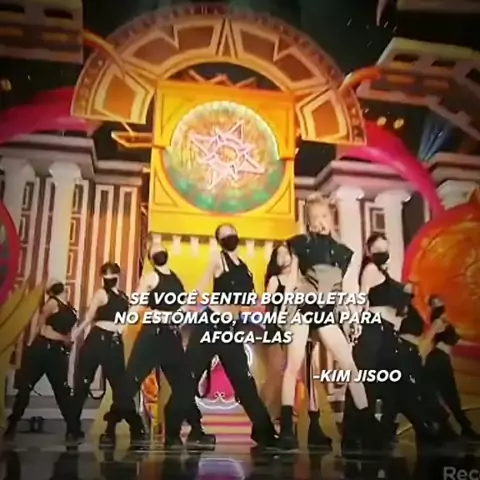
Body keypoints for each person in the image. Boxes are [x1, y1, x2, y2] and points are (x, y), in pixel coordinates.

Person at [279, 194, 379, 452]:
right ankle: (287, 430)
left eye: (324, 216)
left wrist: (352, 317)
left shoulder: (343, 252)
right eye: (315, 218)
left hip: (326, 312)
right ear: (309, 223)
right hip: (303, 308)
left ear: (331, 218)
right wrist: (284, 312)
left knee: (350, 365)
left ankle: (368, 427)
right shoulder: (301, 245)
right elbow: (292, 280)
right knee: (293, 366)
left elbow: (345, 289)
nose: (320, 221)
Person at [341, 233, 445, 453]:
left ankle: (415, 431)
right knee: (369, 382)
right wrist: (356, 324)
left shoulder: (383, 273)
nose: (382, 252)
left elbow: (399, 297)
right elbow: (362, 298)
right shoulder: (370, 270)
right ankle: (355, 436)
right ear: (369, 251)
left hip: (386, 333)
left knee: (395, 383)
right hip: (373, 330)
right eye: (377, 249)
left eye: (385, 248)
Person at [184, 223, 278, 448]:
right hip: (210, 325)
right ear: (219, 241)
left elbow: (249, 300)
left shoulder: (244, 268)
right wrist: (186, 307)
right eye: (224, 235)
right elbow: (203, 283)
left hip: (231, 329)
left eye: (231, 233)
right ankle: (189, 429)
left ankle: (264, 432)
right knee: (187, 379)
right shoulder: (218, 260)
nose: (229, 237)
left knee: (244, 381)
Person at [119, 243, 215, 449]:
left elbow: (181, 305)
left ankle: (189, 431)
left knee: (184, 384)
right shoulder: (150, 277)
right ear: (151, 258)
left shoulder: (175, 278)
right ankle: (125, 426)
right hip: (152, 335)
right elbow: (138, 303)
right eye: (153, 250)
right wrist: (126, 321)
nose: (158, 251)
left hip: (171, 336)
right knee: (131, 381)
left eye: (160, 248)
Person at [262, 242, 330, 449]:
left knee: (309, 377)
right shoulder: (275, 280)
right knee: (278, 376)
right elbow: (269, 309)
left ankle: (313, 427)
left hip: (303, 331)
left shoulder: (304, 281)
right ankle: (268, 424)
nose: (283, 258)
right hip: (279, 332)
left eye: (287, 254)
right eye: (279, 255)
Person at [68, 262, 144, 446]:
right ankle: (73, 429)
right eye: (105, 276)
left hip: (114, 343)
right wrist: (75, 333)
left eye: (111, 276)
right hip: (97, 340)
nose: (108, 279)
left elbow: (128, 317)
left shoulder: (123, 296)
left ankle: (130, 427)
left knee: (120, 388)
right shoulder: (101, 293)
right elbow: (89, 317)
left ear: (118, 276)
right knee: (82, 385)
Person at [4, 280, 78, 442]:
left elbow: (65, 330)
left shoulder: (68, 306)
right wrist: (31, 345)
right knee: (26, 388)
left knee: (62, 391)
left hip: (56, 353)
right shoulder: (52, 303)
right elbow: (43, 329)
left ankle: (73, 429)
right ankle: (12, 425)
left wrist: (67, 342)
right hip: (43, 350)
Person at [424, 299, 480, 441]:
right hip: (438, 360)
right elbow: (427, 340)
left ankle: (459, 428)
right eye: (436, 302)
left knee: (447, 396)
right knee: (448, 396)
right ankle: (462, 429)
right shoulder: (438, 323)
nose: (440, 303)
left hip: (441, 360)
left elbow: (457, 341)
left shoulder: (445, 323)